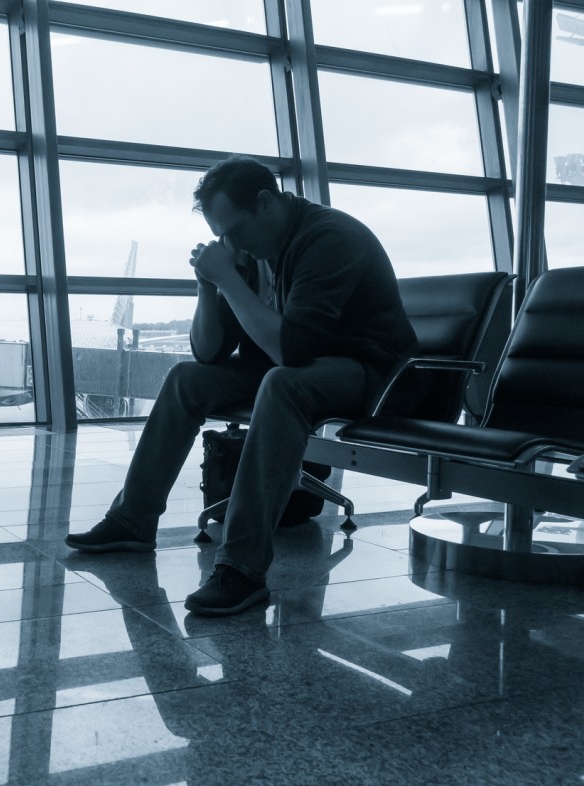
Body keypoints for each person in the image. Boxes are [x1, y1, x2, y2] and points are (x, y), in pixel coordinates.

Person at [65, 155, 419, 617]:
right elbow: (208, 352)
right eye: (218, 234)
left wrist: (229, 277)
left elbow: (292, 351)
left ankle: (242, 568)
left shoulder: (328, 238)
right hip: (295, 368)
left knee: (281, 383)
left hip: (373, 375)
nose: (227, 242)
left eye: (232, 230)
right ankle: (132, 520)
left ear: (266, 204)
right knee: (185, 380)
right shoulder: (251, 254)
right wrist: (208, 286)